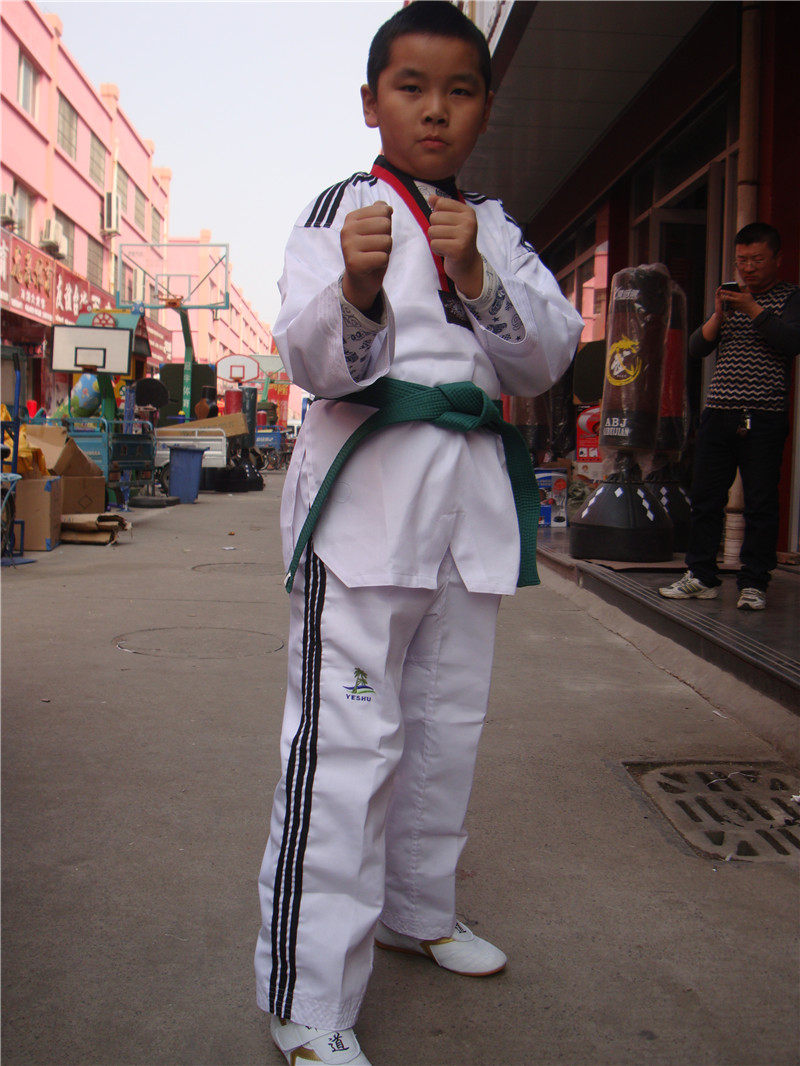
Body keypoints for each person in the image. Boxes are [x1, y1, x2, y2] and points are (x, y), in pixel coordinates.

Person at [254, 5, 583, 1064]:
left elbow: (546, 358)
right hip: (365, 507)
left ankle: (416, 909)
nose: (434, 109)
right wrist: (356, 286)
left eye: (458, 90)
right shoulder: (339, 210)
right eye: (410, 87)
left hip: (465, 509)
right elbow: (307, 358)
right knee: (344, 747)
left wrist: (478, 275)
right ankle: (306, 998)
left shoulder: (496, 227)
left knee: (445, 727)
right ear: (371, 103)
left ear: (484, 108)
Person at [659, 222, 800, 611]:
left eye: (757, 259)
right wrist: (720, 314)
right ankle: (701, 576)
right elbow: (696, 348)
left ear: (777, 258)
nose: (748, 268)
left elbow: (791, 342)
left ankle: (753, 583)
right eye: (742, 261)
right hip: (719, 411)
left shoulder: (790, 298)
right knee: (706, 499)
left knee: (760, 503)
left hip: (764, 414)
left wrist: (753, 309)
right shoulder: (732, 299)